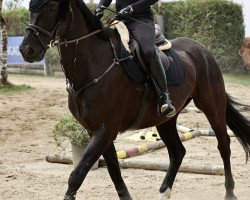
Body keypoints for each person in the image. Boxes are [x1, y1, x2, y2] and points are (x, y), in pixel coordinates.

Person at [94, 0, 176, 117]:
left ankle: (164, 96)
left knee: (148, 52)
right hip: (120, 21)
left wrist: (132, 8)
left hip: (140, 20)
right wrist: (99, 8)